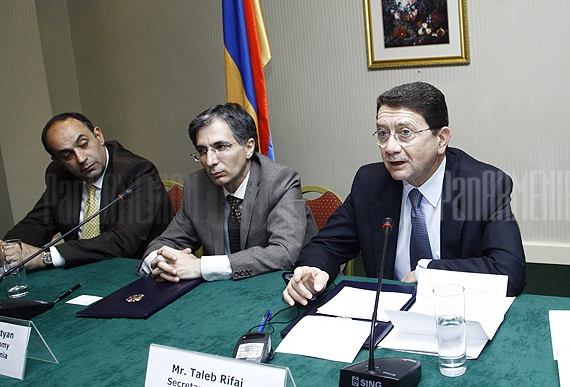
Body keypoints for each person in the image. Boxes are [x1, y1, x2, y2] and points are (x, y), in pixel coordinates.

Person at [283, 81, 526, 305]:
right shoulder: (370, 183)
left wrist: (428, 273)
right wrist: (313, 269)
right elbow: (327, 245)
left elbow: (509, 272)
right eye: (383, 133)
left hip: (458, 312)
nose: (390, 147)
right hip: (388, 316)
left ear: (441, 139)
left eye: (405, 133)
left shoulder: (483, 185)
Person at [140, 103, 316, 282]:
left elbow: (284, 253)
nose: (210, 161)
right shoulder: (197, 186)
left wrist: (201, 267)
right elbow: (167, 242)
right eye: (202, 150)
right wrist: (159, 261)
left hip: (280, 288)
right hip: (219, 293)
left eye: (221, 147)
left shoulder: (279, 181)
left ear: (248, 147)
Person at [5, 112, 173, 270]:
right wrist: (8, 249)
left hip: (130, 272)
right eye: (67, 155)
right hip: (79, 270)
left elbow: (123, 241)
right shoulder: (59, 174)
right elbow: (38, 223)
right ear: (57, 160)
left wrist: (45, 257)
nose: (81, 158)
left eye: (84, 144)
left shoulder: (137, 171)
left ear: (98, 136)